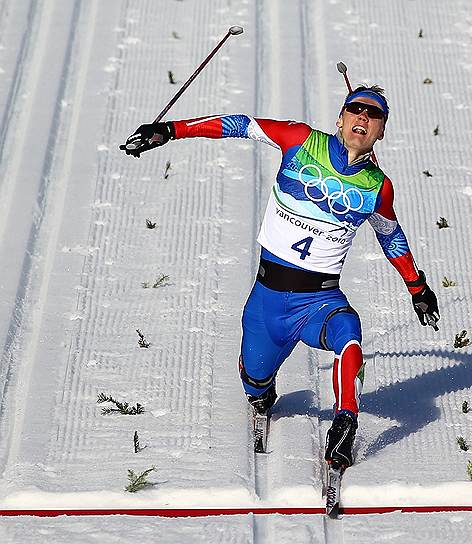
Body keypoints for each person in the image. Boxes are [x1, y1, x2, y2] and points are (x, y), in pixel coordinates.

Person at [121, 85, 440, 472]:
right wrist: (171, 131)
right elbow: (241, 125)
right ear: (340, 118)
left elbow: (391, 236)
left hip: (318, 302)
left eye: (374, 115)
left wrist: (417, 286)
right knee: (254, 379)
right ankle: (261, 392)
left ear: (382, 131)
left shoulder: (378, 187)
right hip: (268, 300)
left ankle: (345, 422)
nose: (363, 118)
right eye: (355, 109)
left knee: (349, 332)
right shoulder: (300, 139)